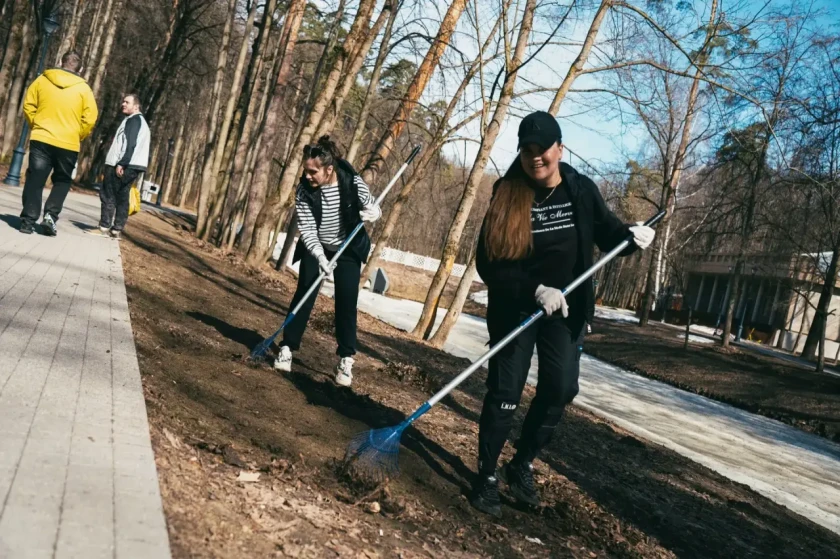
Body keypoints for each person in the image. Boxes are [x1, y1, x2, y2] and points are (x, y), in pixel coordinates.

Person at [469, 111, 655, 518]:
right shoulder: (508, 192)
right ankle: (485, 476)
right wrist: (535, 289)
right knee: (505, 393)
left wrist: (632, 237)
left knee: (560, 389)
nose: (536, 158)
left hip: (566, 310)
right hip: (517, 306)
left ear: (559, 149)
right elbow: (489, 263)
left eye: (543, 150)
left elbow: (607, 233)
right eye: (527, 151)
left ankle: (521, 464)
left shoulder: (580, 189)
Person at [273, 136, 381, 387]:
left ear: (329, 169)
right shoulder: (304, 191)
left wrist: (375, 213)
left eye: (313, 171)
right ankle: (288, 347)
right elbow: (308, 230)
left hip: (348, 248)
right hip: (317, 246)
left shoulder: (353, 182)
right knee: (305, 293)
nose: (308, 176)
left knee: (346, 301)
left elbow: (372, 206)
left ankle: (345, 359)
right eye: (306, 170)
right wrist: (320, 256)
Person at [20, 51, 98, 235]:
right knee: (62, 180)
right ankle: (50, 216)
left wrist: (36, 125)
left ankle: (28, 221)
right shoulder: (84, 89)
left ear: (60, 62)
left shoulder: (42, 80)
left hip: (42, 138)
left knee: (35, 179)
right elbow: (90, 118)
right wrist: (78, 134)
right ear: (80, 69)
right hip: (68, 143)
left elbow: (28, 105)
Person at [97, 93, 151, 239]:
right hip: (134, 165)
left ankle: (104, 227)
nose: (123, 104)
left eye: (127, 102)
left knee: (108, 194)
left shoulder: (133, 121)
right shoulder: (140, 122)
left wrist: (122, 163)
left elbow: (130, 143)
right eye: (123, 101)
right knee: (122, 195)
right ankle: (116, 229)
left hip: (124, 163)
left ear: (136, 106)